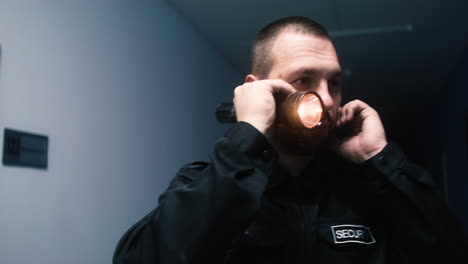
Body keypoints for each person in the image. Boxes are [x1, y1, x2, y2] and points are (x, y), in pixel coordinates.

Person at [113, 16, 467, 264]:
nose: (327, 100)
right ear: (259, 89)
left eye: (334, 83)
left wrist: (380, 156)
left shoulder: (367, 192)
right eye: (304, 80)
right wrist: (247, 136)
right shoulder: (207, 182)